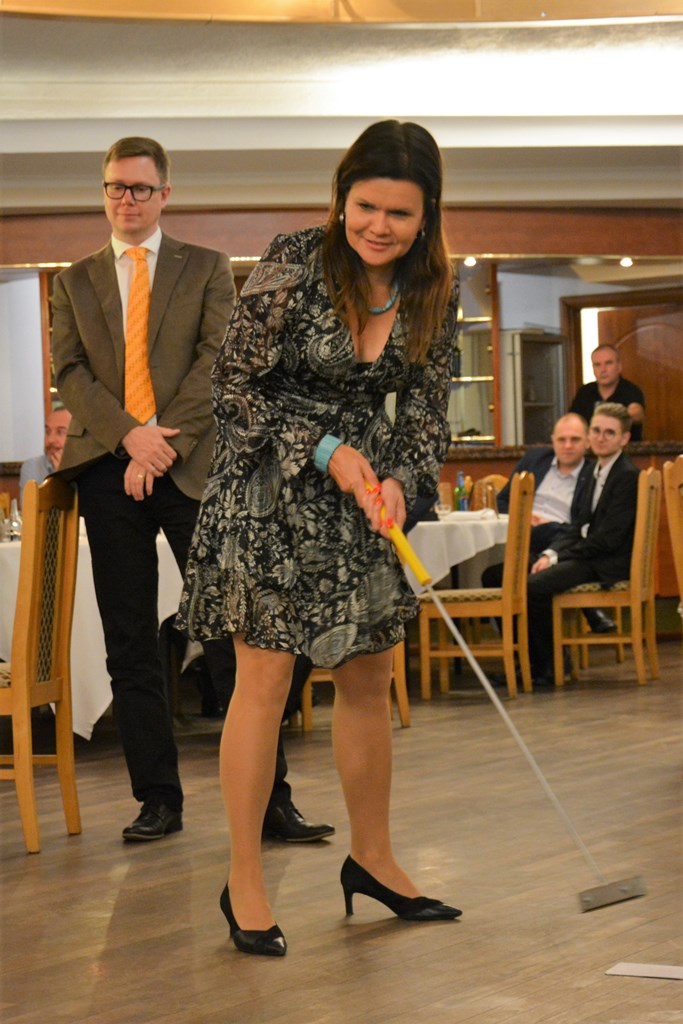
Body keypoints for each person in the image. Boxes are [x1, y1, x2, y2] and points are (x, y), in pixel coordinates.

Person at [177, 119, 463, 956]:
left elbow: (425, 410)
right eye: (365, 206)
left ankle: (372, 859)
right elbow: (232, 389)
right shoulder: (292, 262)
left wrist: (402, 481)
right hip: (267, 492)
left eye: (399, 213)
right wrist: (325, 448)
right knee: (264, 681)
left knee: (370, 675)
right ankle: (244, 879)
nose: (378, 225)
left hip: (358, 501)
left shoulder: (434, 290)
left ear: (427, 216)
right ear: (341, 198)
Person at [51, 135, 332, 845]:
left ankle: (269, 800)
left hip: (192, 466)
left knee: (236, 634)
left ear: (165, 195)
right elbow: (71, 373)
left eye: (140, 188)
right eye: (116, 187)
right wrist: (130, 438)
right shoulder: (73, 280)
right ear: (104, 192)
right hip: (107, 469)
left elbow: (219, 361)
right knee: (130, 644)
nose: (127, 199)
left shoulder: (206, 268)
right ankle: (157, 799)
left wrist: (159, 441)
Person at [525, 402, 639, 687]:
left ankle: (548, 668)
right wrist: (552, 552)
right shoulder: (594, 471)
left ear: (624, 438)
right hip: (591, 555)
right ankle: (529, 663)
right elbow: (578, 526)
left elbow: (608, 540)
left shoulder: (627, 475)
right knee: (509, 574)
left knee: (533, 586)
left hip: (606, 563)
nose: (601, 438)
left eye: (609, 433)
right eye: (596, 431)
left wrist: (558, 559)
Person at [570, 343, 645, 441]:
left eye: (608, 363)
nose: (603, 370)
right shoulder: (584, 392)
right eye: (597, 365)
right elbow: (572, 421)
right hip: (591, 447)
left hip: (625, 448)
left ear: (619, 366)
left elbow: (637, 413)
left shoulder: (631, 390)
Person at [19, 406, 72, 501]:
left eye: (60, 432)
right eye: (48, 432)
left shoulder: (89, 467)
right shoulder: (33, 467)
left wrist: (67, 474)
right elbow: (30, 509)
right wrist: (58, 477)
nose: (50, 440)